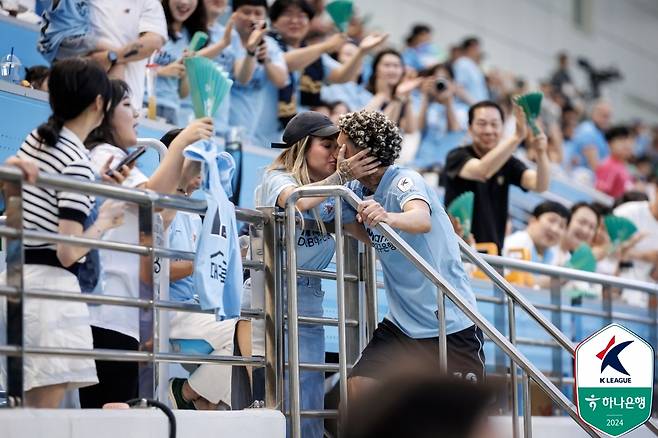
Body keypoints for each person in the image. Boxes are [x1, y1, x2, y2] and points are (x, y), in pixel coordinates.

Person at [78, 79, 214, 408]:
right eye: (127, 105)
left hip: (119, 313)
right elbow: (155, 198)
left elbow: (159, 208)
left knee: (114, 409)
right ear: (102, 110)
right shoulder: (103, 155)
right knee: (113, 412)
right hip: (103, 310)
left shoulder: (120, 160)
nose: (136, 113)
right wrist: (181, 142)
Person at [0, 58, 125, 408]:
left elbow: (28, 215)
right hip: (50, 293)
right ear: (99, 103)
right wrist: (104, 222)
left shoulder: (36, 141)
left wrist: (92, 188)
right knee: (40, 422)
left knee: (25, 415)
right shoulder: (76, 160)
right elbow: (68, 252)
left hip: (20, 280)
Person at [335, 110, 484, 400]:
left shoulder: (405, 180)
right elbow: (345, 221)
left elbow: (420, 219)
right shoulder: (355, 188)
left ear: (365, 154)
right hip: (402, 324)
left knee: (457, 418)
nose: (338, 154)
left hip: (449, 322)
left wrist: (387, 217)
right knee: (360, 386)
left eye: (344, 147)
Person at [254, 111, 379, 438]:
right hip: (266, 294)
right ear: (301, 147)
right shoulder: (277, 177)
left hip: (308, 298)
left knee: (307, 391)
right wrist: (341, 178)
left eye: (338, 147)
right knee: (267, 391)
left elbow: (365, 233)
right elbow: (292, 201)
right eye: (327, 146)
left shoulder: (336, 193)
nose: (337, 155)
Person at [156, 129, 252, 410]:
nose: (204, 169)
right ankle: (185, 393)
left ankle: (195, 399)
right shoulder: (162, 204)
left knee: (217, 403)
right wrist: (206, 262)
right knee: (243, 331)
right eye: (198, 161)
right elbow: (157, 268)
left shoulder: (195, 209)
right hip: (170, 311)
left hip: (198, 309)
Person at [262, 0, 387, 145]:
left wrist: (361, 52)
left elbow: (342, 75)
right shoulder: (267, 43)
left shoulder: (315, 55)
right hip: (263, 129)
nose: (295, 21)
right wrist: (326, 46)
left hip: (293, 134)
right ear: (274, 21)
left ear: (309, 22)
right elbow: (285, 63)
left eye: (302, 16)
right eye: (288, 15)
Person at [443, 101, 550, 253]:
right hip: (458, 249)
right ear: (470, 128)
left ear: (502, 128)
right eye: (482, 123)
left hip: (493, 254)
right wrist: (517, 137)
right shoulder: (457, 156)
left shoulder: (509, 162)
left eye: (494, 124)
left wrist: (541, 153)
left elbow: (540, 185)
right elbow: (482, 171)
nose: (488, 130)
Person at [224, 0, 289, 145]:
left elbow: (281, 80)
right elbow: (242, 78)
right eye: (246, 12)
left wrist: (266, 60)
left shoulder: (271, 45)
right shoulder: (226, 40)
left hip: (253, 134)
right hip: (222, 127)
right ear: (233, 14)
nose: (252, 18)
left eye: (258, 13)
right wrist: (251, 51)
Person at [87, 0, 168, 109]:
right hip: (82, 93)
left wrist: (111, 57)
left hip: (125, 105)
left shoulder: (148, 3)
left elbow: (153, 42)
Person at [151, 0, 208, 125]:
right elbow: (132, 67)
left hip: (171, 110)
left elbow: (183, 93)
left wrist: (186, 71)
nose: (184, 2)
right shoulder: (151, 26)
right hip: (145, 103)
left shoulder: (190, 36)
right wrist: (161, 71)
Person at [613, 184, 658, 307]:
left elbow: (655, 276)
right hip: (612, 294)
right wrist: (644, 256)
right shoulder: (628, 212)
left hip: (643, 304)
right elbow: (603, 248)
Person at [415, 63, 467, 166]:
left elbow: (454, 130)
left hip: (446, 164)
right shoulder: (424, 105)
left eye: (445, 78)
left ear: (453, 83)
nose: (440, 83)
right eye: (436, 79)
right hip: (422, 162)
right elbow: (417, 128)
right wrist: (425, 96)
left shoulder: (461, 109)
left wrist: (448, 101)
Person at [363, 49, 418, 133]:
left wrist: (407, 94)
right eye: (387, 65)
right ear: (376, 69)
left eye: (396, 66)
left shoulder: (402, 96)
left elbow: (410, 129)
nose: (392, 70)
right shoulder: (364, 93)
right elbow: (381, 129)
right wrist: (382, 94)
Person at [502, 201, 569, 265]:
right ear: (533, 220)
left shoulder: (555, 257)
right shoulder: (514, 245)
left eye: (562, 226)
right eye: (551, 220)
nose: (555, 229)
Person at [320, 41, 374, 112]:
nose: (356, 59)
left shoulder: (368, 96)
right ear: (334, 62)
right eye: (348, 54)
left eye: (359, 56)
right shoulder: (326, 91)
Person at [571, 100, 612, 171]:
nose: (607, 120)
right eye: (604, 116)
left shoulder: (600, 132)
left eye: (608, 117)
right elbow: (594, 165)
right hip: (581, 175)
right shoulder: (588, 131)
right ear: (594, 114)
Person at [595, 125, 635, 199]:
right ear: (610, 144)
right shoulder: (608, 166)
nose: (627, 144)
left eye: (630, 140)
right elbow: (600, 197)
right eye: (621, 140)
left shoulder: (624, 166)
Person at [452, 37, 489, 105]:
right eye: (477, 48)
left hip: (479, 106)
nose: (479, 51)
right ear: (471, 48)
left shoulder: (474, 65)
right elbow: (459, 88)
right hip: (468, 107)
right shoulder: (462, 63)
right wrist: (475, 105)